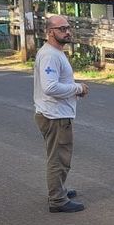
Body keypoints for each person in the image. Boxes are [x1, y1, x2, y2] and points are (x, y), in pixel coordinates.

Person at [33, 15, 89, 213]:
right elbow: (50, 87)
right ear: (50, 32)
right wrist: (77, 89)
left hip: (54, 113)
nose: (67, 31)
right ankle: (57, 199)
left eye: (68, 27)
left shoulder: (55, 52)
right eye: (62, 28)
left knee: (59, 155)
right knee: (59, 158)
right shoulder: (50, 55)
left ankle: (59, 189)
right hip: (54, 116)